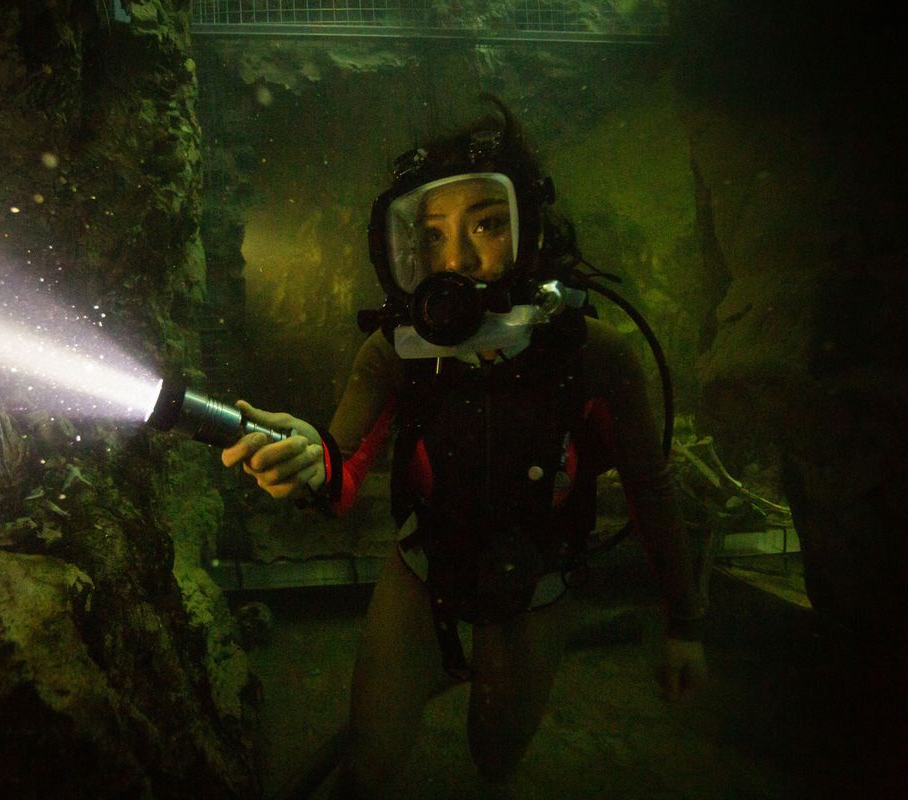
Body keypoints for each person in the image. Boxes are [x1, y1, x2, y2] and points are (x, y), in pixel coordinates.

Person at [222, 98, 707, 797]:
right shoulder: (394, 353)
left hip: (538, 582)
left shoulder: (594, 354)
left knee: (494, 757)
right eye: (432, 233)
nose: (456, 259)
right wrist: (303, 458)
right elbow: (342, 470)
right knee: (369, 766)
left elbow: (648, 485)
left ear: (532, 228)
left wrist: (684, 625)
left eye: (487, 223)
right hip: (424, 569)